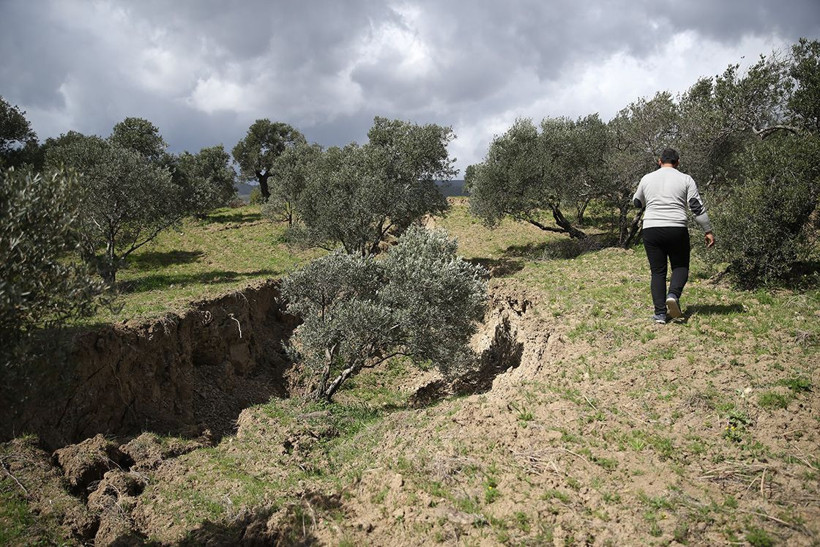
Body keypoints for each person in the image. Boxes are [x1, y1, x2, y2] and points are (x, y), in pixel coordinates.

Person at [633, 148, 715, 323]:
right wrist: (707, 230)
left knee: (657, 272)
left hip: (652, 228)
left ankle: (660, 314)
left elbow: (637, 202)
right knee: (680, 266)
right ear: (678, 162)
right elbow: (696, 206)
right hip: (676, 227)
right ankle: (673, 295)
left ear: (659, 161)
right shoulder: (686, 179)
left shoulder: (647, 178)